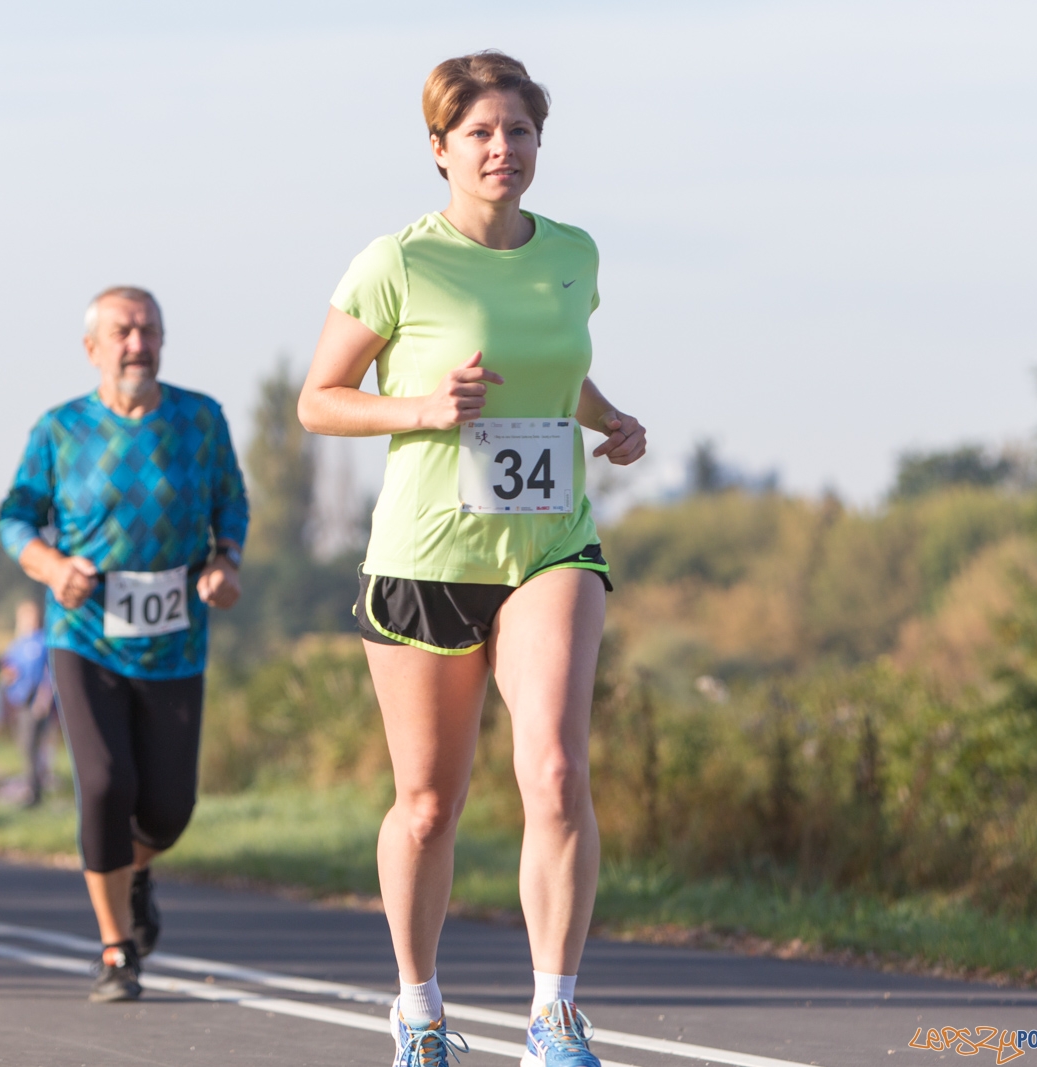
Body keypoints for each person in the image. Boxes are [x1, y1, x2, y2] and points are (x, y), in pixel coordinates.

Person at [297, 52, 647, 1067]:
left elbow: (557, 375)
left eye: (520, 132)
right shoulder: (398, 262)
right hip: (427, 552)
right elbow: (318, 399)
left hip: (549, 542)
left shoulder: (573, 253)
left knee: (551, 765)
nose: (504, 150)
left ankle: (554, 1013)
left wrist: (610, 417)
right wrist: (421, 407)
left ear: (541, 142)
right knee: (427, 803)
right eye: (482, 135)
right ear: (440, 150)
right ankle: (417, 1006)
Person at [0, 285, 247, 1003]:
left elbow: (232, 498)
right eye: (123, 331)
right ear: (93, 348)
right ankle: (115, 950)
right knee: (106, 784)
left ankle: (135, 872)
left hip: (176, 638)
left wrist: (226, 559)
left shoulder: (200, 419)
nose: (138, 343)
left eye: (149, 330)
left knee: (168, 808)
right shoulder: (60, 428)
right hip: (84, 634)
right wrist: (50, 565)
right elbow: (15, 516)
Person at [0, 599, 55, 805]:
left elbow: (50, 673)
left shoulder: (43, 641)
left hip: (36, 702)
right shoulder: (17, 643)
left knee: (34, 745)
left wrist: (44, 698)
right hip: (19, 700)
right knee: (25, 746)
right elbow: (8, 668)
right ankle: (31, 786)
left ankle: (34, 792)